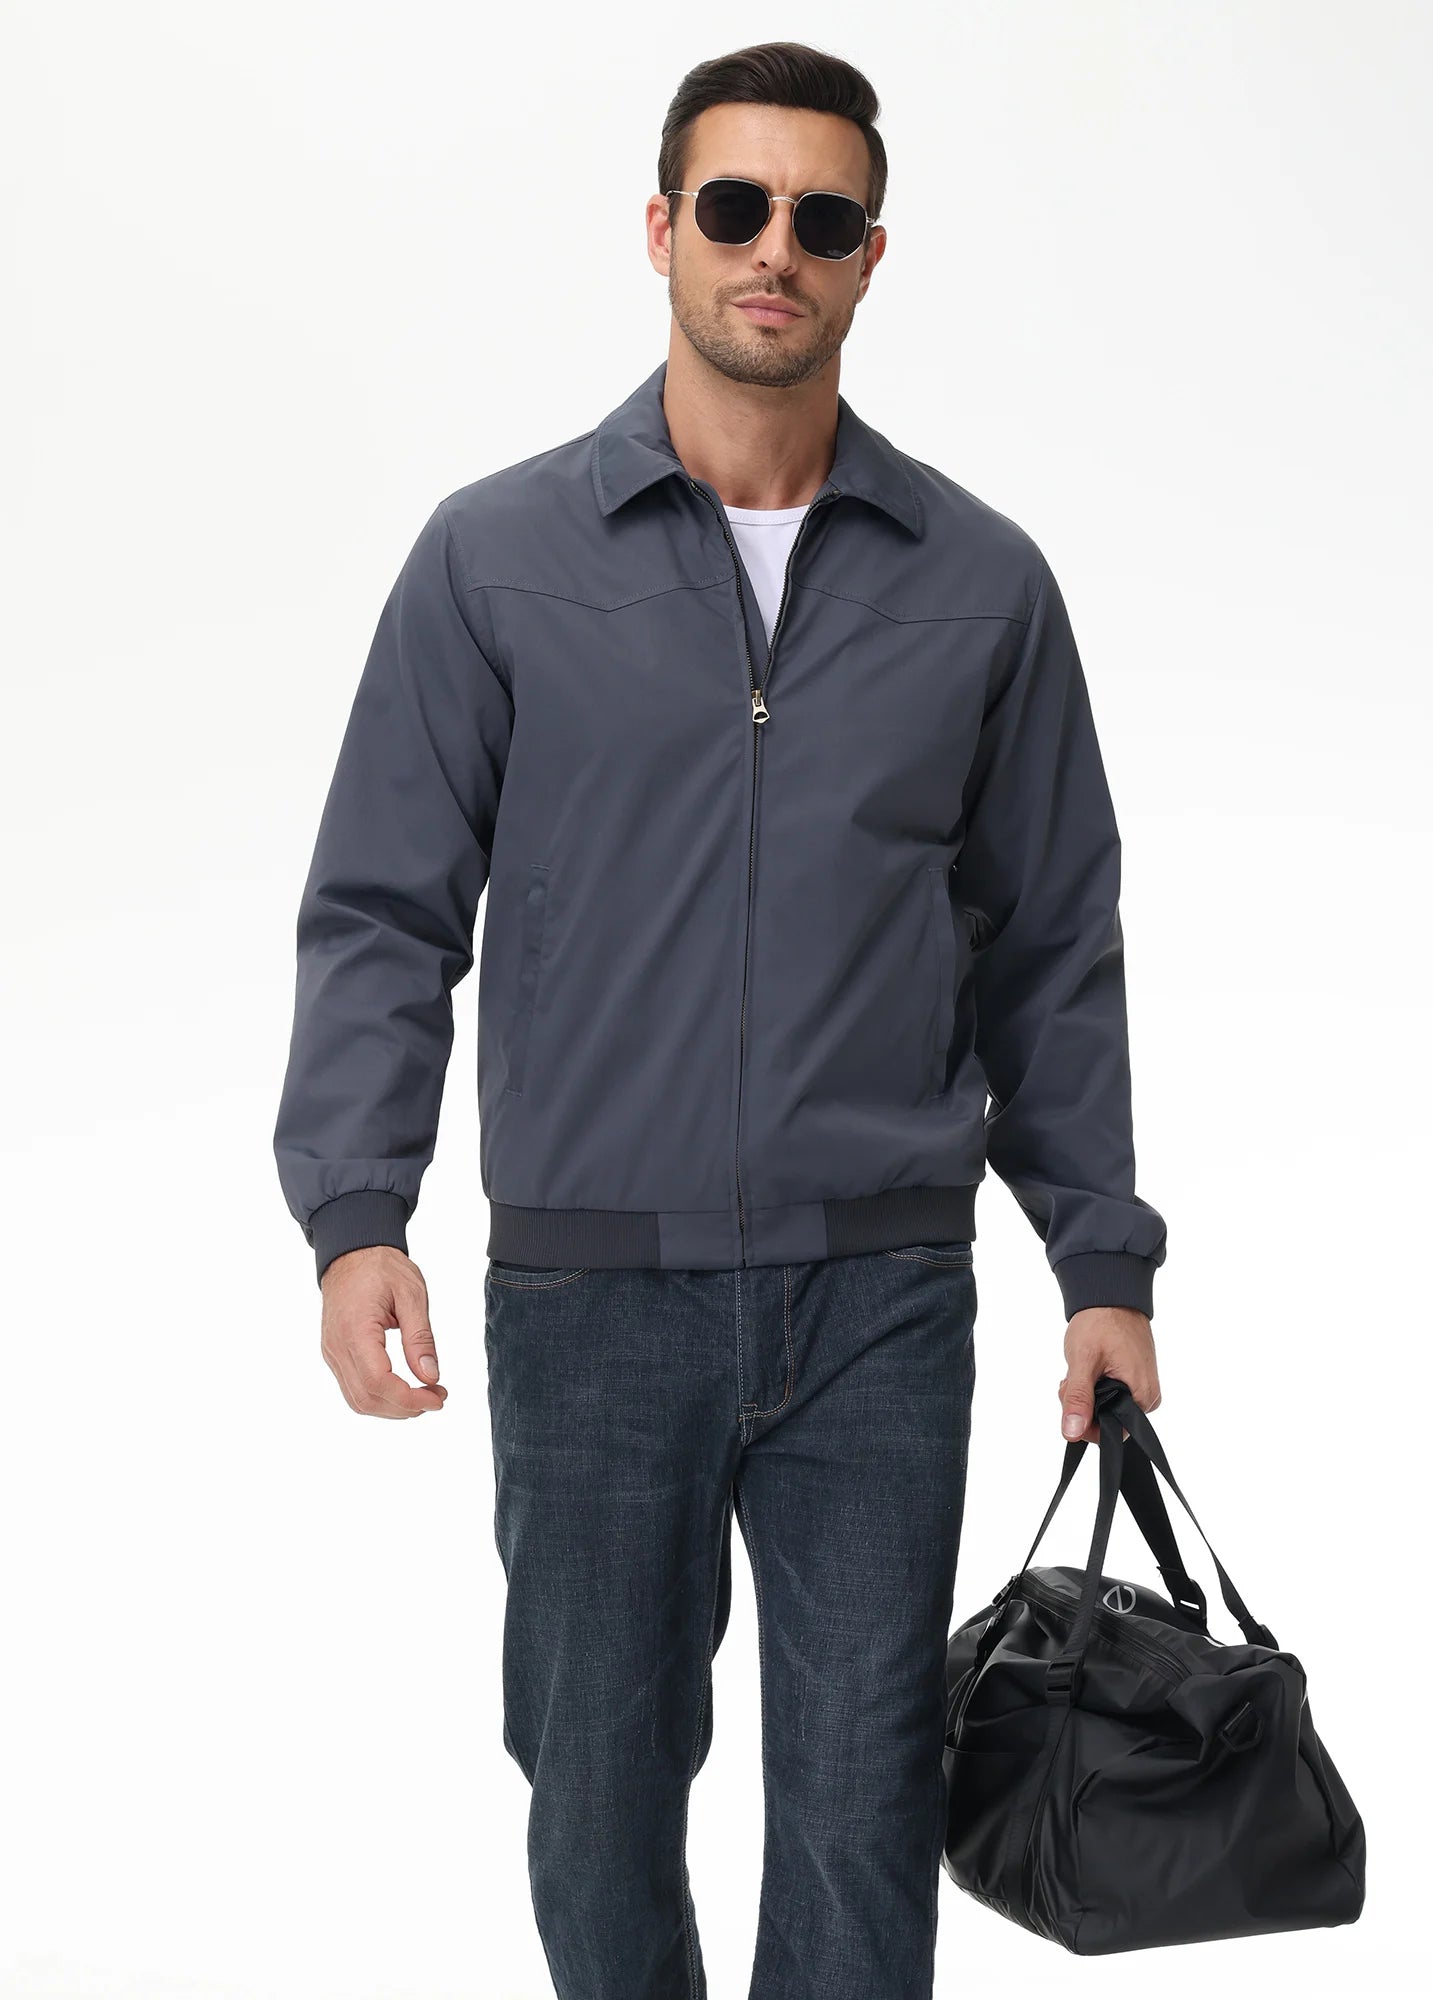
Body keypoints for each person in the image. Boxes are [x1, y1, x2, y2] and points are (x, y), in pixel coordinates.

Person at [273, 38, 1168, 2000]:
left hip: (882, 1299)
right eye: (739, 206)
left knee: (861, 1814)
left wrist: (1101, 1263)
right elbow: (382, 906)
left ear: (868, 259)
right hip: (593, 1297)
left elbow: (1052, 946)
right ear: (664, 228)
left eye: (822, 218)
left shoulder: (983, 584)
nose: (778, 249)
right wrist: (355, 1211)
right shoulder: (494, 560)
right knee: (595, 1800)